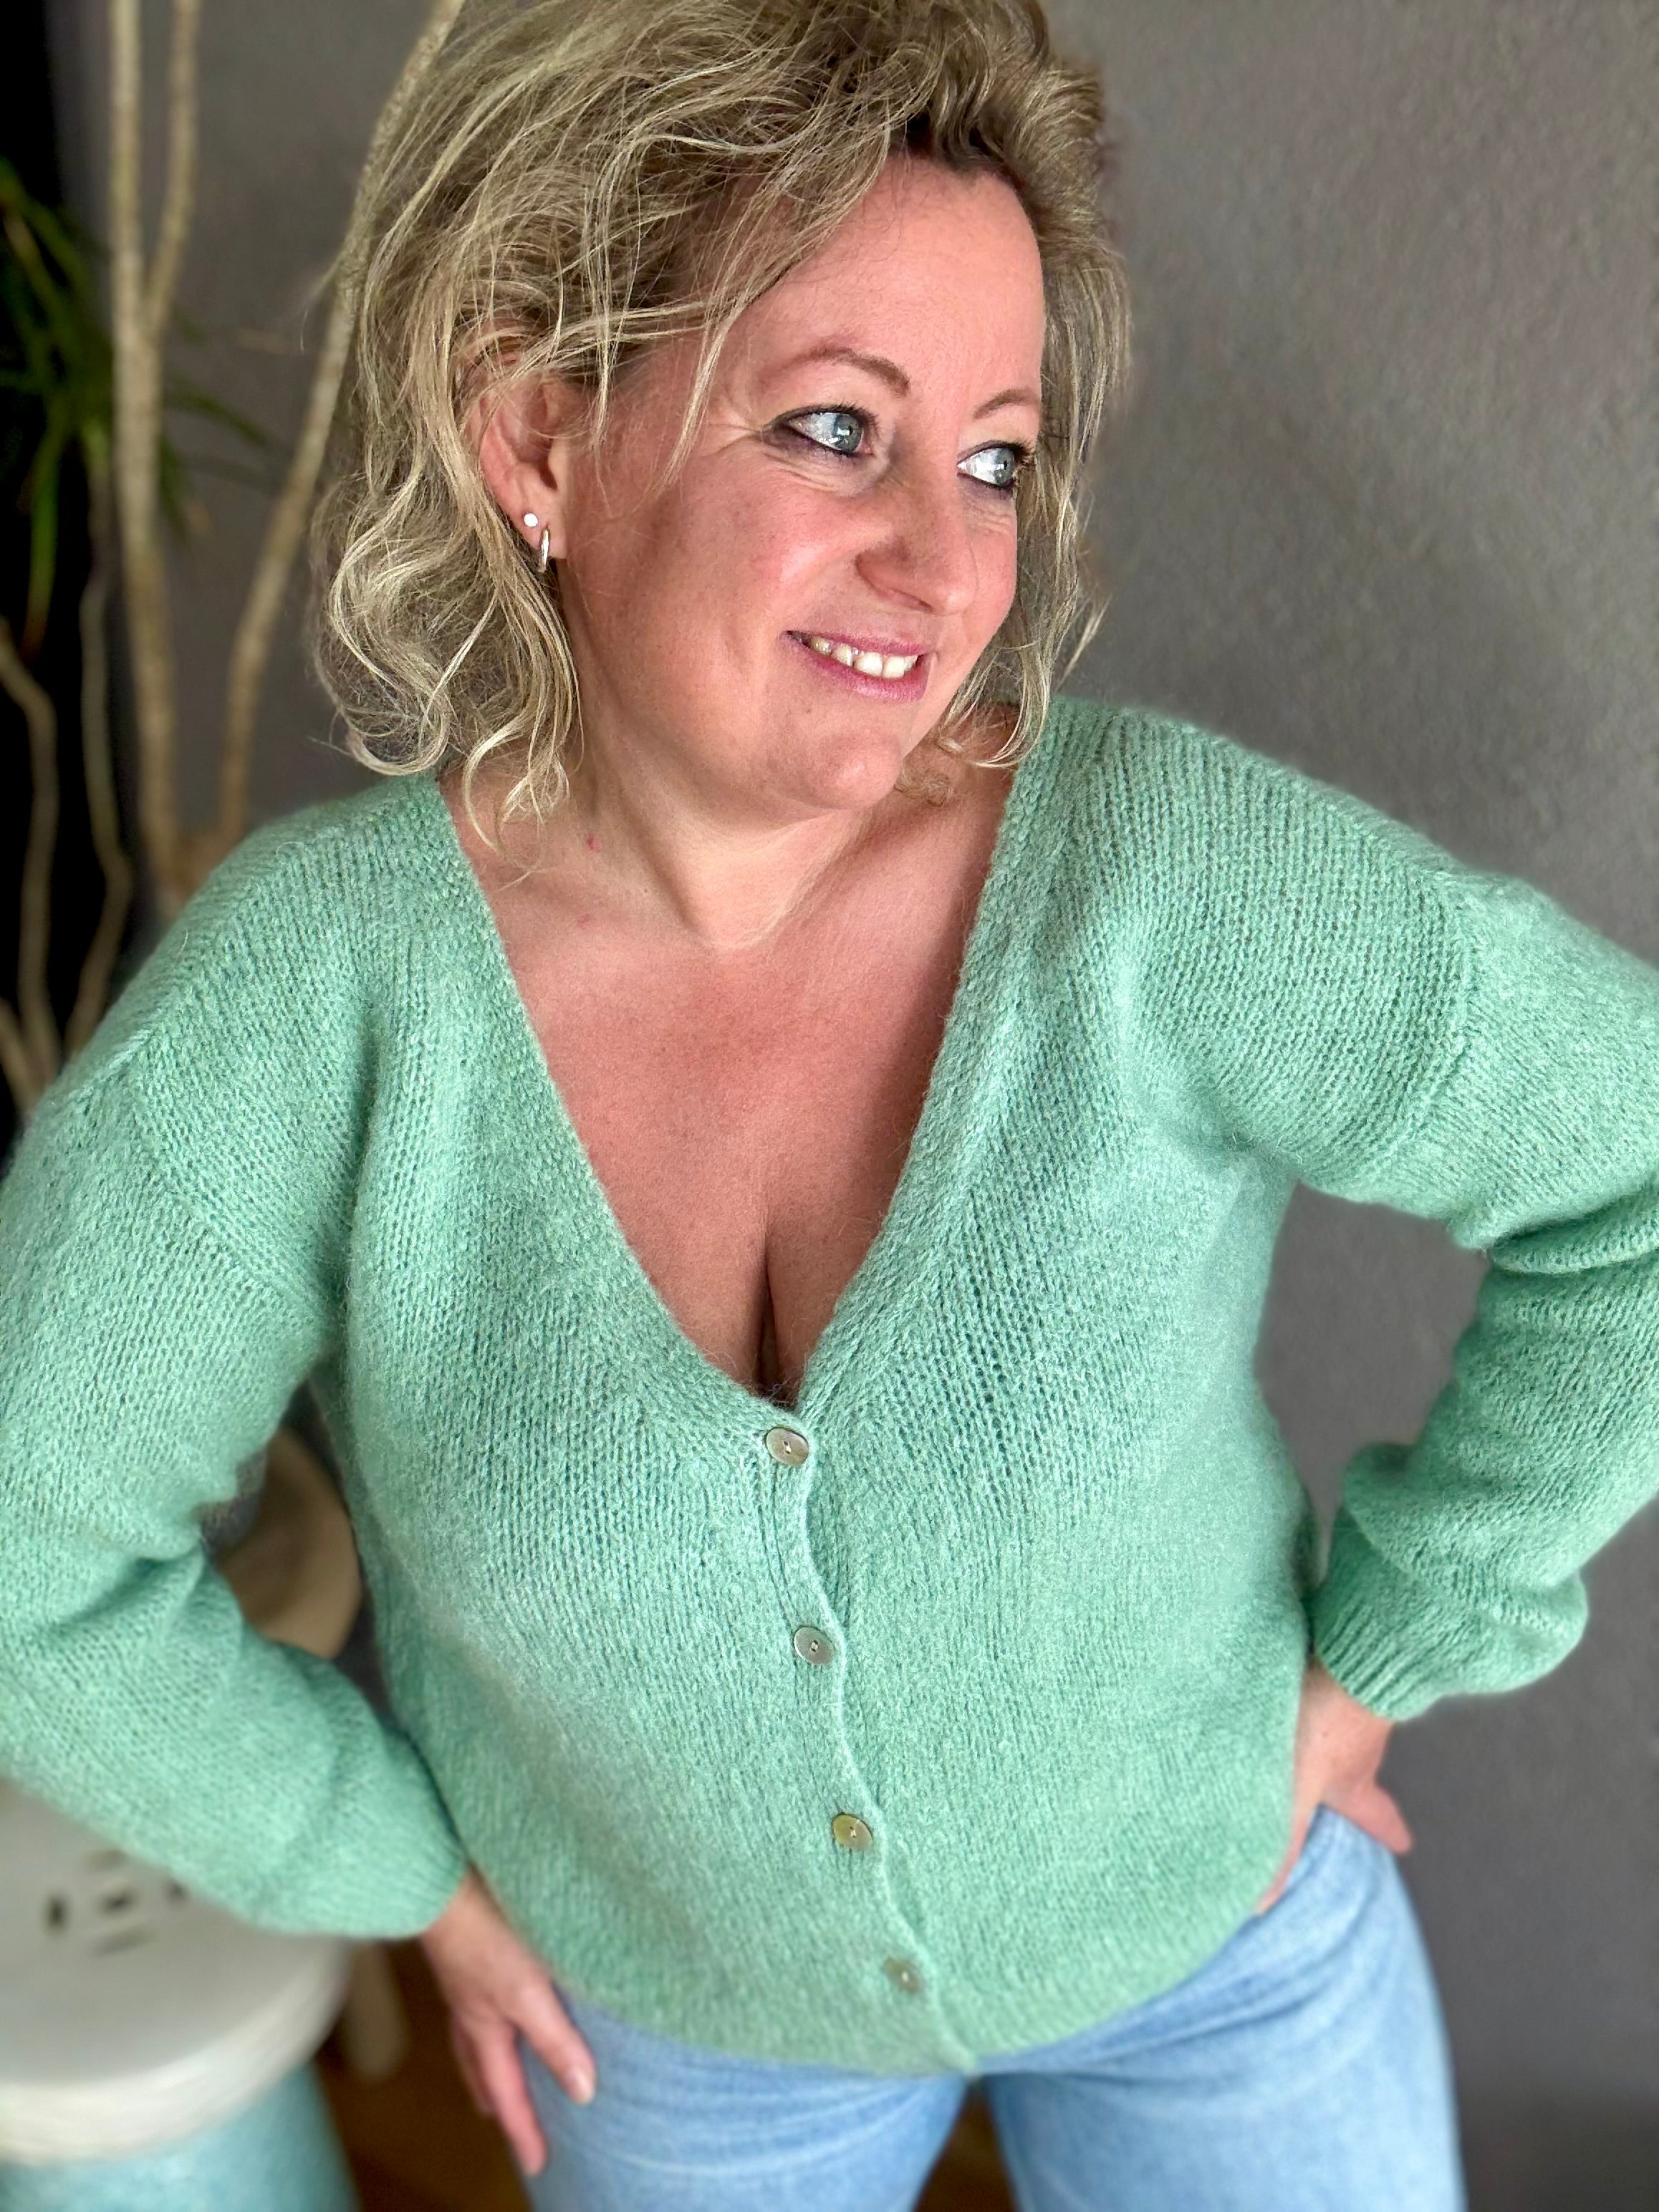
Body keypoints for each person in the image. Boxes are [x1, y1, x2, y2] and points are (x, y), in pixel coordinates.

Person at [2, 0, 1656, 2205]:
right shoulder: (318, 1005)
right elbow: (28, 1546)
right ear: (536, 429)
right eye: (831, 427)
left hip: (1224, 1949)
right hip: (669, 2035)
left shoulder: (1160, 887)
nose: (945, 564)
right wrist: (384, 1864)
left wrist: (1386, 1653)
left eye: (993, 457)